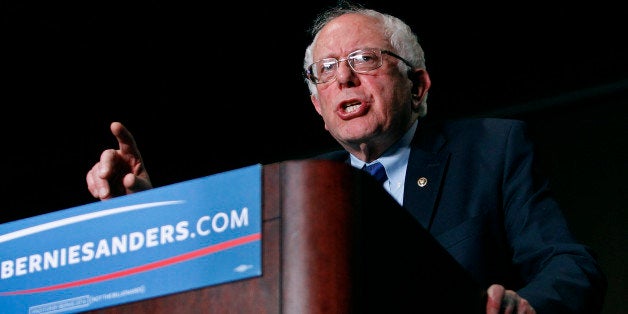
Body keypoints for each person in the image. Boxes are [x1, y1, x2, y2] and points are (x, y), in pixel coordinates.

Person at [85, 2, 607, 313]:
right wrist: (149, 210)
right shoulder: (304, 194)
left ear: (419, 86)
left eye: (364, 59)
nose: (344, 78)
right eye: (327, 69)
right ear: (318, 106)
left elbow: (568, 263)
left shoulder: (492, 150)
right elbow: (233, 282)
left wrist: (529, 304)